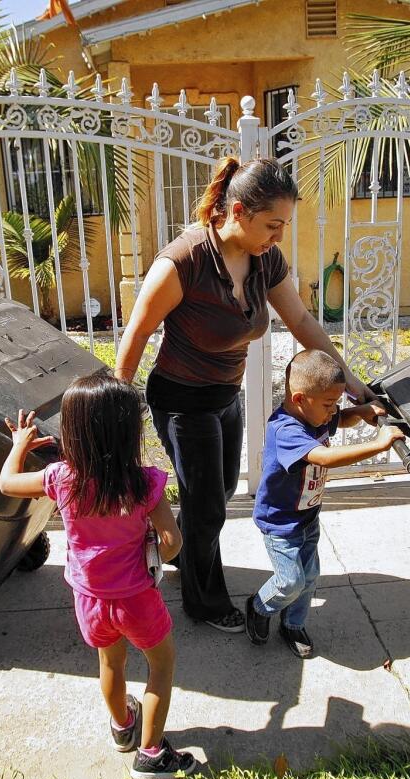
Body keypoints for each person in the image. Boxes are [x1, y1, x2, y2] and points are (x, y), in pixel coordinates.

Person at [114, 156, 374, 634]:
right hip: (180, 397)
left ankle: (179, 551)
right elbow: (137, 332)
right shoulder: (184, 261)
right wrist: (118, 404)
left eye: (284, 225)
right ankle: (204, 601)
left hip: (223, 394)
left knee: (219, 492)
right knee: (208, 503)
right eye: (272, 225)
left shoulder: (265, 260)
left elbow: (301, 322)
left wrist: (349, 379)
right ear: (238, 211)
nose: (278, 237)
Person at [0, 375, 201, 779]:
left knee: (110, 663)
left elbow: (6, 483)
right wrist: (152, 558)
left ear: (72, 430)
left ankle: (124, 726)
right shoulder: (145, 483)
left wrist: (20, 444)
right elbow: (172, 541)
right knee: (161, 665)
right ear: (129, 431)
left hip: (90, 600)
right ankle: (151, 755)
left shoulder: (60, 479)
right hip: (137, 600)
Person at [246, 349, 405, 658]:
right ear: (300, 399)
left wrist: (359, 413)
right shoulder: (285, 430)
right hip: (280, 524)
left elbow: (337, 421)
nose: (333, 412)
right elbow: (326, 457)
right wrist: (377, 445)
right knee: (290, 581)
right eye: (329, 404)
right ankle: (259, 606)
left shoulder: (315, 415)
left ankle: (292, 624)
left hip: (308, 516)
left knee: (309, 578)